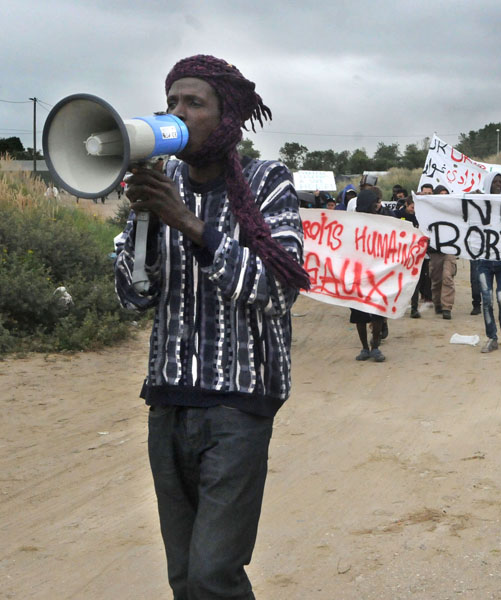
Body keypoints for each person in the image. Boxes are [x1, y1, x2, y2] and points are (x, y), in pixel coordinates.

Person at [114, 55, 309, 600]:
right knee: (184, 576)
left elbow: (279, 289)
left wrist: (192, 225)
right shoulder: (161, 183)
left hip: (239, 407)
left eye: (193, 103)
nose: (177, 112)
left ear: (226, 118)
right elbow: (133, 297)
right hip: (169, 402)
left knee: (212, 573)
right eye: (172, 101)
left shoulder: (269, 182)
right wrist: (146, 226)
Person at [350, 188, 388, 361]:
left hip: (378, 273)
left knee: (378, 311)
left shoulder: (382, 221)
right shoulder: (352, 223)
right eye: (375, 202)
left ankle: (375, 346)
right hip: (358, 274)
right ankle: (365, 347)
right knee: (359, 314)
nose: (378, 205)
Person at [476, 173, 501, 352]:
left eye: (500, 182)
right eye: (495, 182)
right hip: (484, 261)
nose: (498, 185)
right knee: (487, 300)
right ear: (488, 184)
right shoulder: (478, 205)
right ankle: (492, 337)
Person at [428, 184, 457, 319]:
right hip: (434, 250)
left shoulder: (452, 212)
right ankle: (438, 302)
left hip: (449, 249)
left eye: (446, 194)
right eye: (441, 194)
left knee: (447, 277)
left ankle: (447, 307)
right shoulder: (429, 211)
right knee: (436, 279)